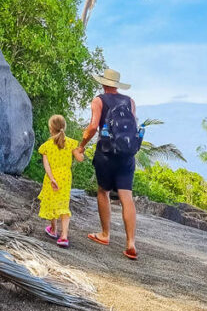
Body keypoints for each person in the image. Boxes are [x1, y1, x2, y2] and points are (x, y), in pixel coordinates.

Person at [75, 67, 139, 260]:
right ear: (117, 85)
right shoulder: (130, 101)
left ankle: (105, 234)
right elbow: (133, 127)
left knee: (103, 191)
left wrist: (82, 145)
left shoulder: (99, 100)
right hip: (127, 154)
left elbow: (93, 126)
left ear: (103, 83)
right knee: (126, 195)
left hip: (106, 153)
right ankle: (131, 243)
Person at [37, 115, 79, 248]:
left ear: (51, 129)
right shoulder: (71, 143)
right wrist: (82, 148)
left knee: (52, 202)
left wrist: (52, 179)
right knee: (63, 205)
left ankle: (53, 229)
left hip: (52, 177)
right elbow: (80, 158)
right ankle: (64, 236)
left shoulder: (47, 146)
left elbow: (47, 165)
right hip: (66, 177)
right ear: (64, 127)